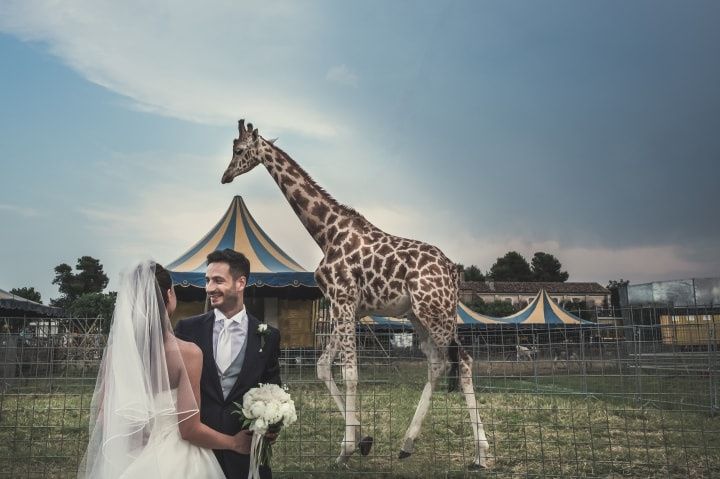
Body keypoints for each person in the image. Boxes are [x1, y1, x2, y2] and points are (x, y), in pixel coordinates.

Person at [78, 261, 250, 479]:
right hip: (177, 460)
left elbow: (104, 417)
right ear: (169, 295)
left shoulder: (115, 353)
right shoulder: (188, 353)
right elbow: (189, 430)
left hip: (132, 460)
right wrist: (234, 442)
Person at [175, 249, 282, 479]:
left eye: (218, 280)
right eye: (207, 280)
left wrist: (273, 425)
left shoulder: (268, 336)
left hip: (245, 453)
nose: (209, 288)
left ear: (240, 282)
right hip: (197, 451)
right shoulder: (187, 329)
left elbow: (274, 388)